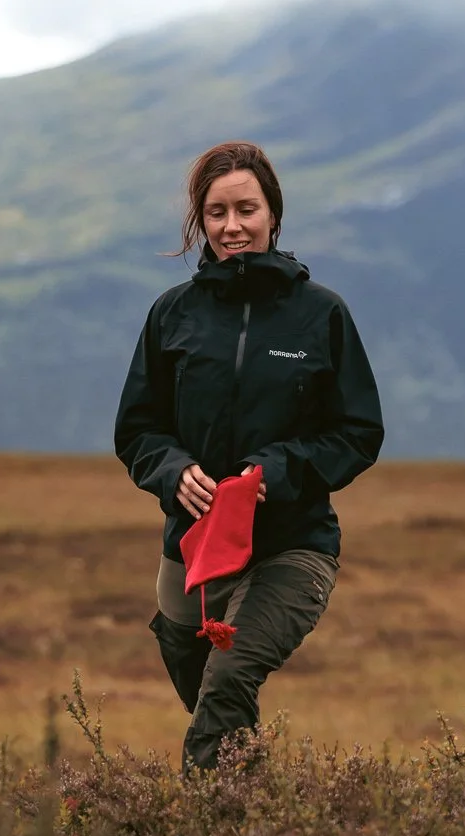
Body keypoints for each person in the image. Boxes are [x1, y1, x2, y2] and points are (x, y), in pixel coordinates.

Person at [115, 140, 384, 769]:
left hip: (291, 543)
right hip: (192, 546)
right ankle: (260, 815)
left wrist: (282, 469)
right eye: (216, 213)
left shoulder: (321, 316)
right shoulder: (172, 316)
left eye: (246, 209)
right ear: (200, 222)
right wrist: (172, 470)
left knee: (229, 677)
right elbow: (137, 429)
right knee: (200, 676)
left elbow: (358, 432)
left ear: (273, 215)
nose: (232, 227)